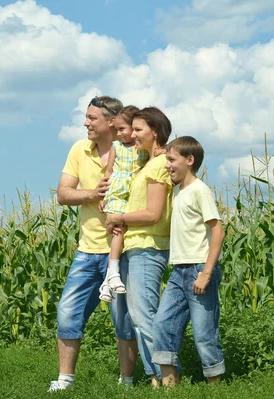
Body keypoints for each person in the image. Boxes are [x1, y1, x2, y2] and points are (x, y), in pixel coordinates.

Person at [50, 96, 138, 392]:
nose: (86, 123)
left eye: (92, 118)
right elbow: (63, 194)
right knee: (67, 312)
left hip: (122, 250)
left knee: (123, 320)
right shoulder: (79, 149)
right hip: (87, 250)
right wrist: (93, 194)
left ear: (111, 121)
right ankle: (65, 380)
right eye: (86, 118)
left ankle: (126, 382)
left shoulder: (132, 150)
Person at [105, 106, 173, 387]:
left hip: (148, 247)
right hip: (136, 246)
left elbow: (153, 213)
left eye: (138, 130)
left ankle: (168, 379)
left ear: (155, 132)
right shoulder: (147, 163)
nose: (132, 135)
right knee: (138, 318)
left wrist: (118, 217)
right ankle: (155, 378)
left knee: (146, 318)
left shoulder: (159, 165)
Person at [152, 136, 226, 386]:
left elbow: (218, 231)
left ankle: (214, 385)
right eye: (167, 160)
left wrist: (205, 273)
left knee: (204, 332)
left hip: (198, 268)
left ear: (190, 160)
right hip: (178, 271)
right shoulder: (178, 189)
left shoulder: (200, 191)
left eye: (172, 160)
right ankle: (170, 384)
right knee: (163, 323)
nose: (167, 165)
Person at [98, 106, 149, 302]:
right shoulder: (116, 147)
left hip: (133, 193)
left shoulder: (141, 149)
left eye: (122, 129)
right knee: (119, 229)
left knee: (124, 228)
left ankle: (106, 282)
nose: (119, 134)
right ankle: (113, 270)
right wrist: (103, 196)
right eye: (117, 130)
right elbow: (109, 172)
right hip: (118, 192)